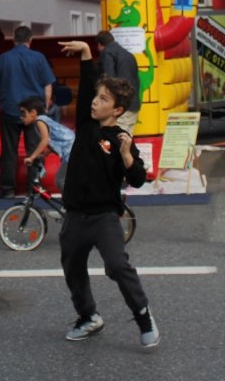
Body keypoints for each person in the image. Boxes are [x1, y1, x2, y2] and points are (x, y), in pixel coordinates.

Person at [59, 76, 158, 349]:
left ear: (117, 110)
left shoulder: (120, 139)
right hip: (76, 215)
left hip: (104, 216)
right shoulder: (85, 127)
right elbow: (86, 76)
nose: (95, 101)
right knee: (72, 266)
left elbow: (138, 178)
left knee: (117, 265)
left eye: (103, 99)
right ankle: (88, 316)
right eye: (96, 95)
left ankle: (143, 316)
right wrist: (87, 56)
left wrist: (127, 154)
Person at [0, 25, 56, 199]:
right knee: (34, 149)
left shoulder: (3, 59)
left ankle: (7, 189)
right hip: (34, 112)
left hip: (10, 110)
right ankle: (33, 187)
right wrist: (46, 107)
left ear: (13, 39)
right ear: (30, 40)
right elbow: (47, 85)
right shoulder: (39, 58)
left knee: (8, 151)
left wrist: (0, 106)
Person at [19, 95, 74, 193]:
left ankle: (75, 203)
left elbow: (45, 141)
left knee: (60, 181)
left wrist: (32, 157)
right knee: (66, 180)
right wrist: (44, 155)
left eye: (23, 113)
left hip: (70, 151)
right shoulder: (43, 119)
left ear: (33, 113)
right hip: (71, 149)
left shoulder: (40, 121)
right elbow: (54, 141)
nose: (21, 117)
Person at [95, 31, 140, 131]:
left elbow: (109, 81)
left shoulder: (107, 53)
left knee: (116, 140)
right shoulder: (129, 55)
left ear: (99, 44)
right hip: (133, 104)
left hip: (120, 107)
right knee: (126, 140)